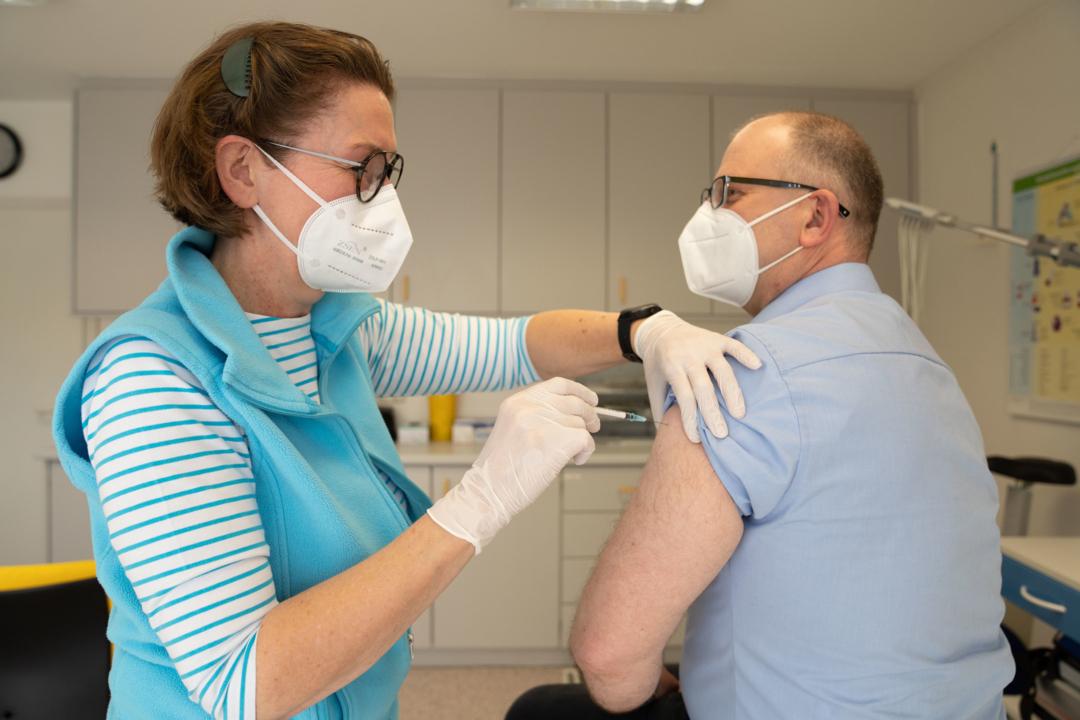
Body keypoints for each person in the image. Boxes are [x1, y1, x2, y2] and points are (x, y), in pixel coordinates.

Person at [51, 22, 761, 720]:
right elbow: (246, 685)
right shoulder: (152, 379)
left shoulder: (340, 327)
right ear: (243, 171)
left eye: (387, 172)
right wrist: (477, 502)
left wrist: (642, 331)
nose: (382, 199)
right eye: (360, 168)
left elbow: (512, 345)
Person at [510, 111, 1013, 720]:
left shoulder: (743, 370)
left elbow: (608, 657)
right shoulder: (933, 370)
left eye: (731, 193)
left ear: (816, 217)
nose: (709, 216)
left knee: (542, 710)